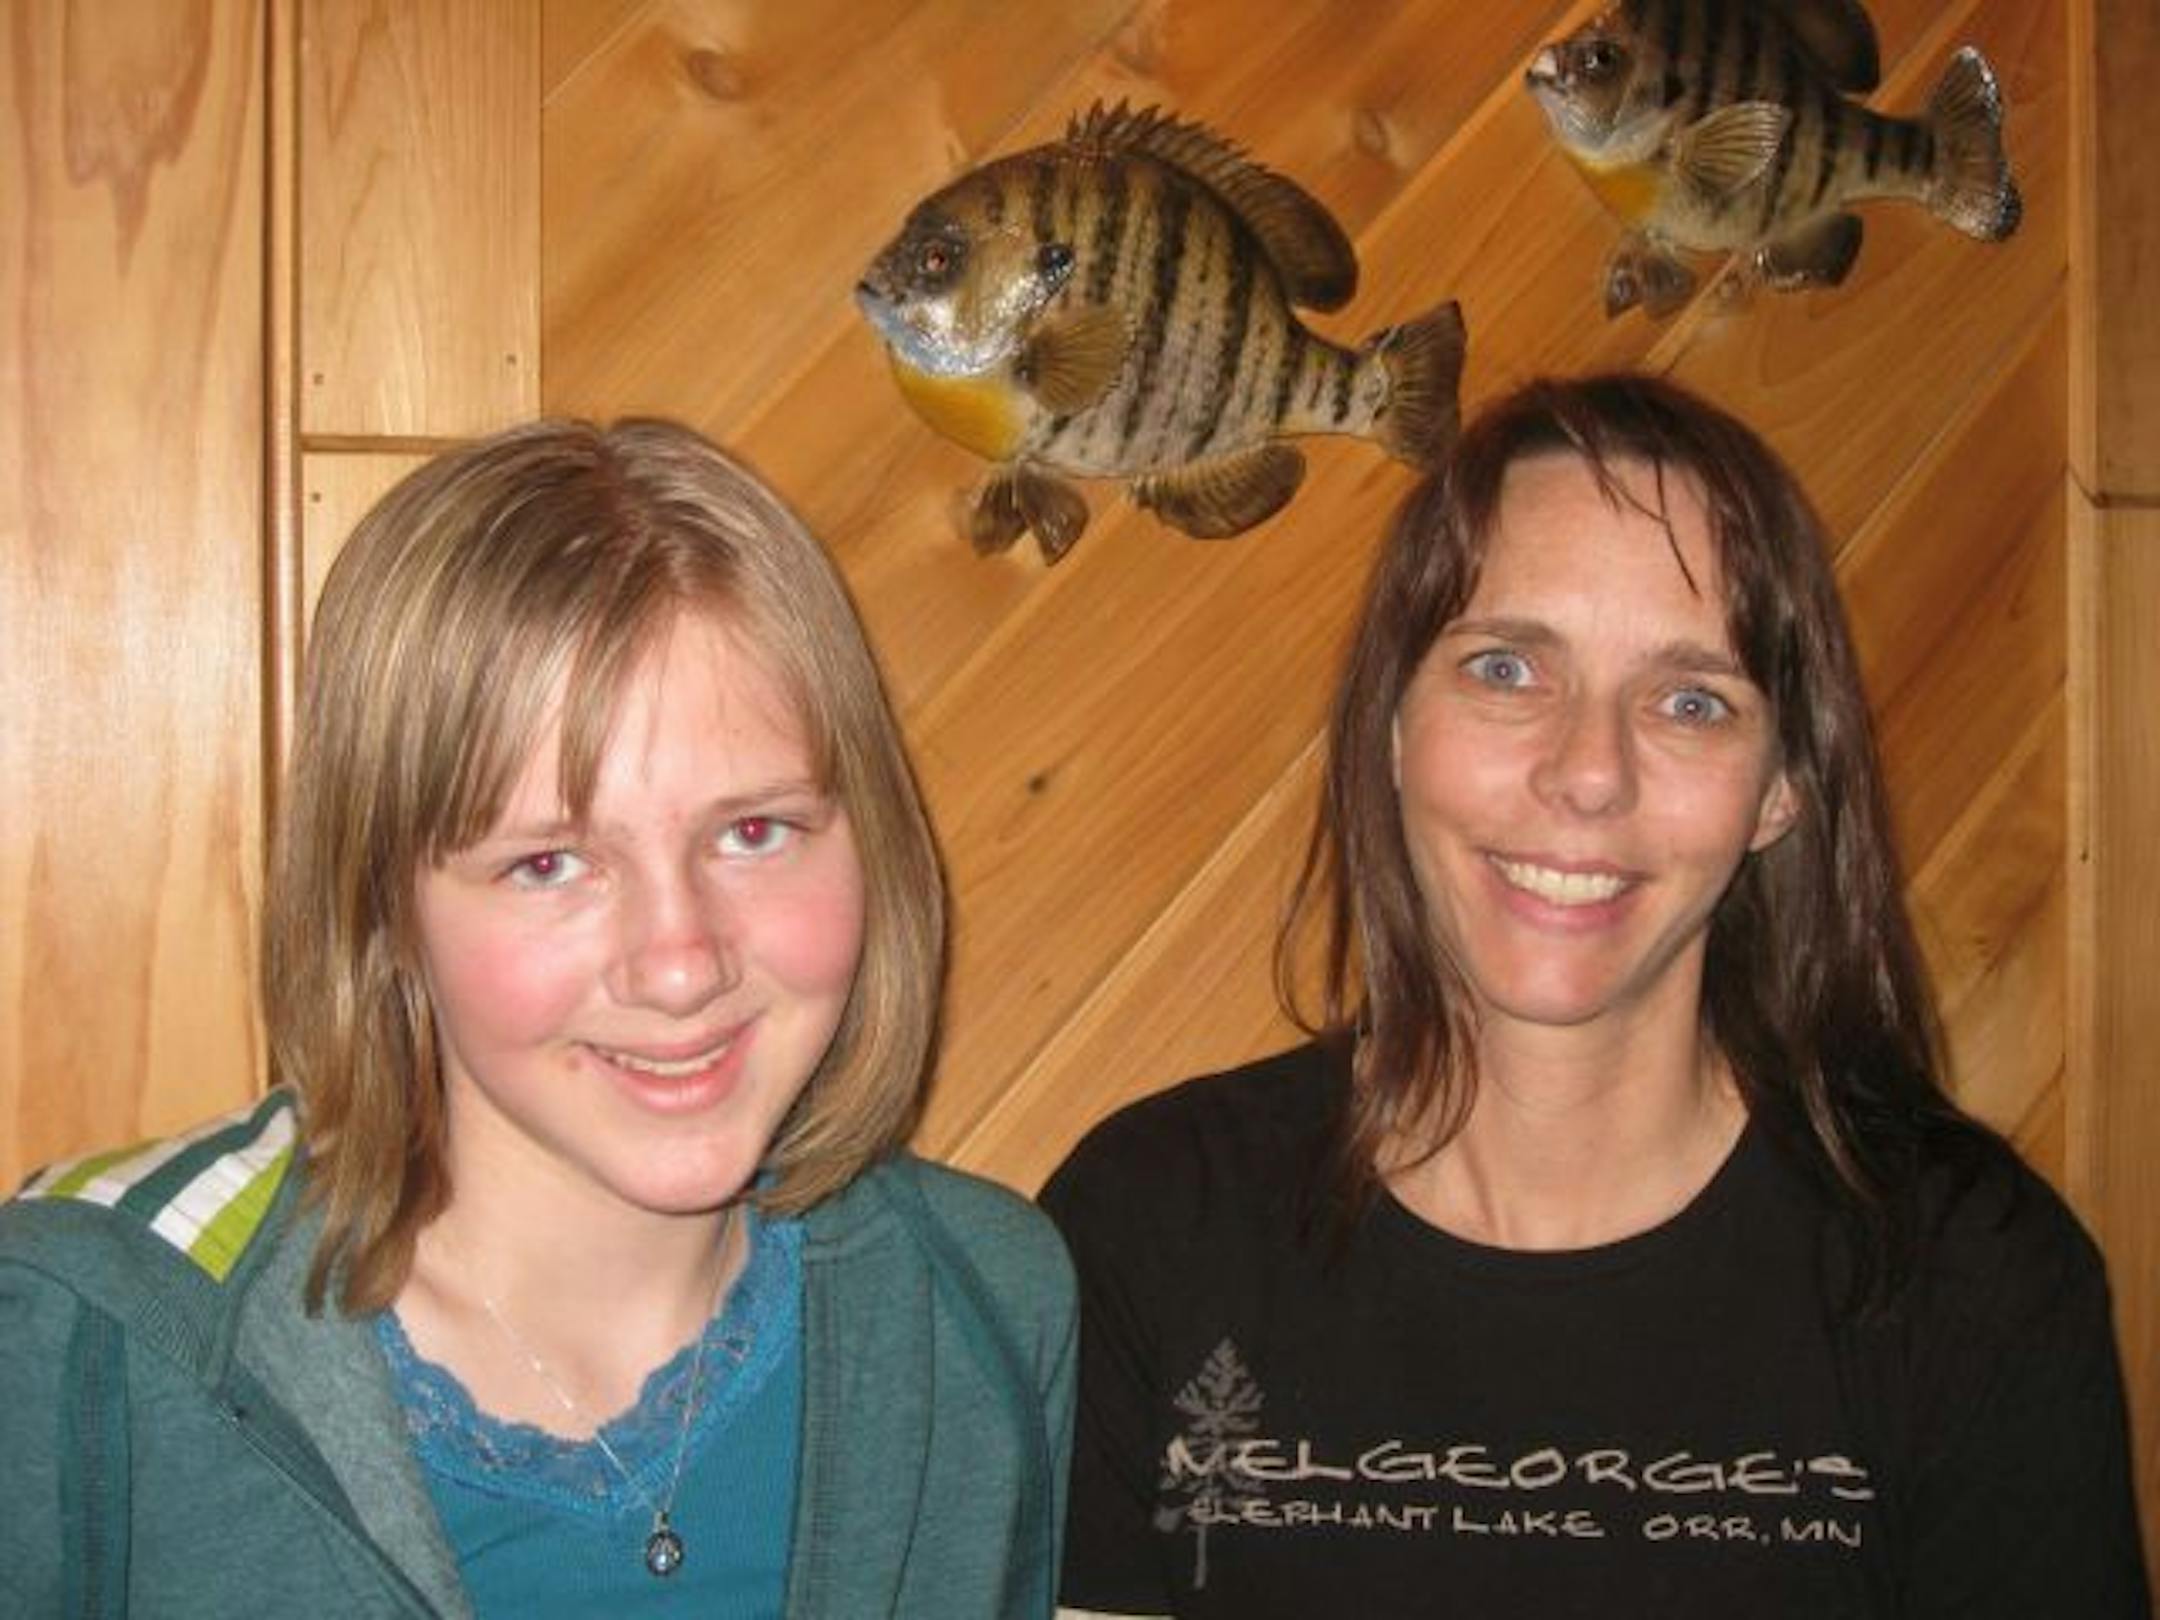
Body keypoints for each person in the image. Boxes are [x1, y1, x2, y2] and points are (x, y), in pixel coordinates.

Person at [1040, 373, 2148, 1618]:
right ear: (1394, 729)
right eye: (1508, 669)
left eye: (1691, 702)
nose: (1588, 772)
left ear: (1781, 787)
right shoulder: (1148, 1226)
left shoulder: (1966, 1275)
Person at [0, 419, 1075, 1618]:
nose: (679, 967)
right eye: (551, 863)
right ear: (384, 904)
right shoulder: (85, 1324)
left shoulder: (988, 1305)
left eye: (753, 831)